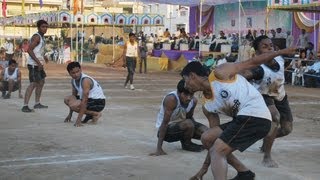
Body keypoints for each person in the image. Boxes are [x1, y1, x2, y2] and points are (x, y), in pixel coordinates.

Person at [181, 47, 295, 180]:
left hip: (256, 115)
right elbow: (213, 142)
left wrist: (280, 52)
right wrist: (203, 169)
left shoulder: (220, 73)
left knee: (218, 151)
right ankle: (244, 173)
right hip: (244, 120)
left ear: (193, 76)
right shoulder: (207, 105)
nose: (185, 85)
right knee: (207, 138)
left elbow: (253, 62)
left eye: (185, 80)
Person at [240, 35, 294, 168]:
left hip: (280, 95)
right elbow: (244, 76)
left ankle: (267, 140)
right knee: (275, 117)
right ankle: (267, 157)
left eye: (270, 45)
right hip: (263, 95)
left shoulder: (280, 59)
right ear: (257, 53)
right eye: (264, 47)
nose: (269, 48)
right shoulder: (257, 68)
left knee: (287, 129)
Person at [150, 79, 208, 155]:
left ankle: (188, 139)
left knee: (207, 132)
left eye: (191, 95)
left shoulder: (193, 101)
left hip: (183, 126)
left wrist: (199, 130)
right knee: (188, 124)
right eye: (186, 95)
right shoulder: (171, 99)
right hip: (167, 131)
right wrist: (159, 148)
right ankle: (187, 144)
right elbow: (164, 123)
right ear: (178, 93)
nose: (189, 98)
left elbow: (189, 117)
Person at [64, 62, 106, 127]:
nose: (76, 75)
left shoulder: (85, 80)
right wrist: (70, 115)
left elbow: (85, 100)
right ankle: (90, 114)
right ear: (69, 73)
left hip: (98, 102)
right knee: (67, 99)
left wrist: (78, 120)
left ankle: (96, 113)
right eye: (73, 73)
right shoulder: (73, 80)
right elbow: (73, 97)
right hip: (90, 100)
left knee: (74, 105)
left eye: (77, 72)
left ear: (81, 70)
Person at [21, 20, 49, 113]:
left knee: (41, 82)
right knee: (33, 83)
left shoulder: (41, 37)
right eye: (43, 27)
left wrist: (43, 57)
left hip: (38, 64)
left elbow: (38, 50)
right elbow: (29, 50)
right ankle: (25, 105)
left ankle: (37, 103)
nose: (45, 28)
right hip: (34, 64)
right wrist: (38, 62)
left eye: (46, 27)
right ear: (38, 27)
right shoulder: (37, 37)